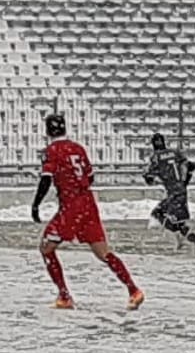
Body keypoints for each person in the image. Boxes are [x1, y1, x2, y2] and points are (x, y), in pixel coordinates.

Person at [31, 113, 143, 311]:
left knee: (46, 248)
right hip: (88, 203)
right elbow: (90, 177)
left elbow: (46, 178)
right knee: (103, 252)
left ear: (47, 131)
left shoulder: (52, 151)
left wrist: (36, 204)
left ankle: (64, 296)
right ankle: (133, 290)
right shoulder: (77, 148)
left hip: (71, 205)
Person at [143, 132, 195, 253]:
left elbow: (149, 178)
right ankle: (183, 238)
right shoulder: (175, 153)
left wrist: (149, 177)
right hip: (180, 190)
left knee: (159, 214)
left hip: (173, 193)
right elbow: (191, 166)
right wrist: (184, 182)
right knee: (171, 218)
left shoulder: (156, 157)